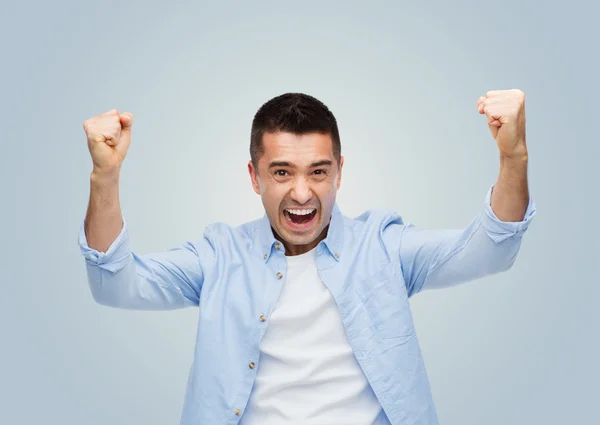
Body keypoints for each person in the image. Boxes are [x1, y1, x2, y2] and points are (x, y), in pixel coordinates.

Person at [78, 91, 536, 425]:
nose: (302, 193)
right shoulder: (220, 256)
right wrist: (105, 176)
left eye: (318, 172)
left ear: (340, 171)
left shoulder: (383, 246)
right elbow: (114, 284)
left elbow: (490, 251)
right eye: (282, 172)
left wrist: (513, 155)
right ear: (255, 177)